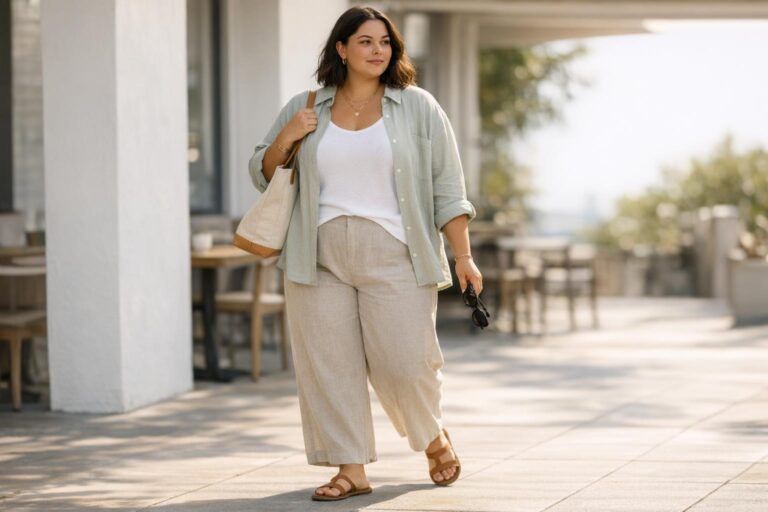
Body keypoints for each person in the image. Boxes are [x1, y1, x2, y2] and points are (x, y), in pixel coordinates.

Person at [248, 5, 483, 502]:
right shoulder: (305, 104)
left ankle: (432, 436)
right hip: (317, 253)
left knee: (406, 362)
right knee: (329, 366)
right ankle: (349, 468)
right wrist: (288, 137)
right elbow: (262, 171)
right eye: (365, 42)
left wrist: (463, 256)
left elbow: (448, 186)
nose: (378, 51)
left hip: (396, 252)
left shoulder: (417, 106)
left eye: (385, 43)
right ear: (341, 48)